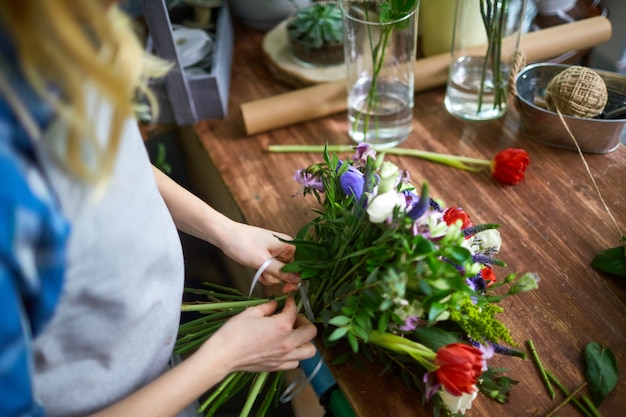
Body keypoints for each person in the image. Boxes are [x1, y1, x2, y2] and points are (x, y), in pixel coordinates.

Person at [0, 1, 317, 416]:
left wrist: (224, 230)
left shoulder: (64, 36)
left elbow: (113, 161)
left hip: (159, 375)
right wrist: (222, 358)